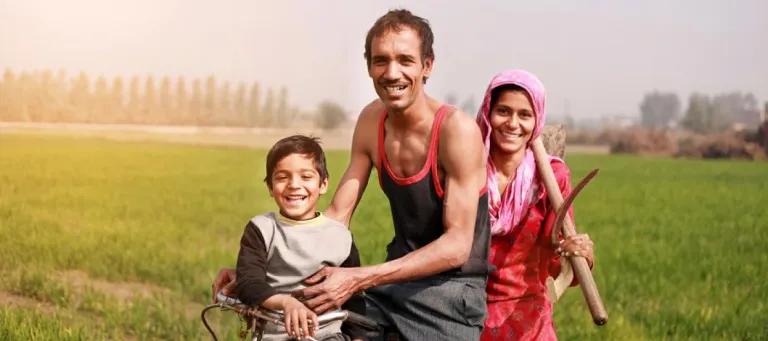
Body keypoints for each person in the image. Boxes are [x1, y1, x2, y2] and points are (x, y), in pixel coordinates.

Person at [215, 9, 490, 340]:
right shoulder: (372, 120)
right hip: (392, 287)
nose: (392, 72)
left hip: (452, 291)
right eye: (381, 60)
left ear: (427, 65)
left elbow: (457, 246)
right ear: (369, 67)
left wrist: (361, 277)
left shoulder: (456, 130)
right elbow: (336, 217)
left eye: (405, 60)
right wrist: (260, 273)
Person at [475, 69, 595, 340]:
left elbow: (558, 264)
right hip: (467, 317)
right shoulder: (465, 171)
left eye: (524, 115)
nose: (512, 123)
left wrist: (578, 254)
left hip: (530, 322)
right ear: (487, 113)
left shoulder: (552, 178)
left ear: (537, 120)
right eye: (503, 111)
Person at [234, 135, 366, 341]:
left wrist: (359, 338)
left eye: (306, 177)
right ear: (270, 187)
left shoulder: (341, 236)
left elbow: (353, 297)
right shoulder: (262, 229)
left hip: (327, 334)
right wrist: (286, 302)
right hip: (275, 335)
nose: (294, 185)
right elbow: (248, 283)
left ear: (323, 184)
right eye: (282, 177)